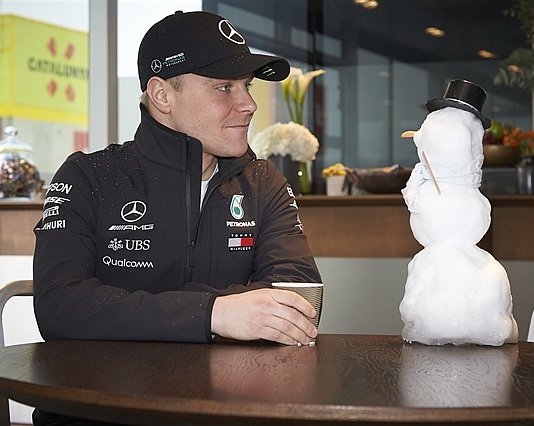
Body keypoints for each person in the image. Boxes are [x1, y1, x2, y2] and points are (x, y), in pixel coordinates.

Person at [32, 10, 322, 425]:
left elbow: (299, 300)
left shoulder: (263, 182)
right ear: (162, 95)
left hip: (227, 410)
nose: (249, 104)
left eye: (247, 85)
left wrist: (129, 307)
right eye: (224, 87)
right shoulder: (87, 177)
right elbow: (60, 306)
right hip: (98, 412)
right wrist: (215, 313)